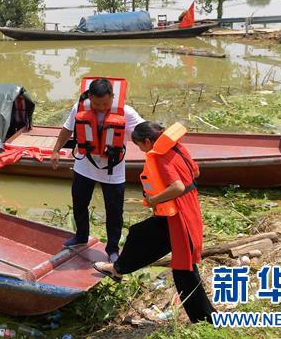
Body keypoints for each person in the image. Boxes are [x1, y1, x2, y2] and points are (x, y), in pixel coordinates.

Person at [92, 121, 215, 324]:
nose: (141, 150)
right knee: (140, 233)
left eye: (140, 146)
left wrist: (153, 200)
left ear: (148, 141)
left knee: (184, 269)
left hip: (179, 217)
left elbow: (177, 187)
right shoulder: (177, 148)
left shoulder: (160, 157)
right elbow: (196, 172)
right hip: (186, 209)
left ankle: (207, 320)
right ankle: (119, 269)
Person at [50, 77, 144, 262]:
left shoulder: (126, 112)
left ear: (113, 97)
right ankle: (81, 236)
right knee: (79, 203)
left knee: (114, 212)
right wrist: (56, 150)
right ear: (89, 97)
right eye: (97, 104)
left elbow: (143, 132)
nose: (101, 108)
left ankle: (112, 248)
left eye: (105, 104)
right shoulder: (79, 108)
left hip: (113, 171)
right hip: (84, 166)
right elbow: (67, 129)